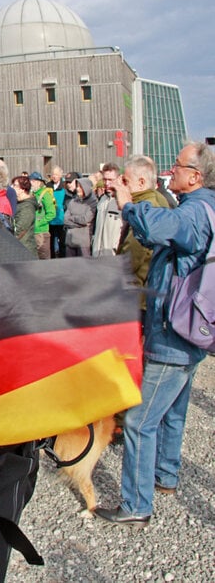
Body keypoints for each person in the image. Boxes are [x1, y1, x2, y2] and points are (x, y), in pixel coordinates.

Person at [95, 141, 215, 528]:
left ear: (195, 176)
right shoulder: (203, 207)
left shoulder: (196, 210)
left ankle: (136, 505)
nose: (171, 170)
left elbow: (158, 226)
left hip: (173, 334)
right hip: (190, 329)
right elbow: (161, 239)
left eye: (177, 166)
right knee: (173, 412)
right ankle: (165, 475)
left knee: (139, 421)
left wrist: (129, 202)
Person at [118, 156, 170, 293]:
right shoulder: (157, 200)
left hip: (138, 292)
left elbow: (131, 257)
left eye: (126, 181)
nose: (122, 186)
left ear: (141, 183)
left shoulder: (144, 210)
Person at [92, 162, 123, 256]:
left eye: (110, 180)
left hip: (112, 255)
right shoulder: (102, 199)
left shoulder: (123, 201)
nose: (107, 183)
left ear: (118, 179)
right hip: (97, 254)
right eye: (105, 179)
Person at [62, 177, 96, 257]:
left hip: (83, 242)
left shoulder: (92, 203)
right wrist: (79, 223)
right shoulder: (73, 201)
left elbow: (86, 219)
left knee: (84, 267)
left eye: (80, 186)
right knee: (70, 267)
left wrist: (72, 218)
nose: (78, 189)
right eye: (77, 186)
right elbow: (65, 219)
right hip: (70, 241)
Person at [29, 171, 57, 259]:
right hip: (32, 232)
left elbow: (52, 213)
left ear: (38, 182)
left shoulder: (45, 194)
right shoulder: (32, 194)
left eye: (32, 181)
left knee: (44, 259)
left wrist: (39, 223)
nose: (31, 184)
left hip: (41, 233)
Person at [11, 175, 37, 254]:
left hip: (25, 247)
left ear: (22, 189)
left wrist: (9, 239)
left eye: (15, 185)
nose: (12, 188)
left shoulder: (27, 207)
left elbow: (20, 228)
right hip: (19, 246)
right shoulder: (18, 203)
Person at [48, 166, 67, 257]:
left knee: (62, 241)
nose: (54, 176)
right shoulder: (48, 186)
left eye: (56, 174)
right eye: (53, 174)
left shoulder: (64, 186)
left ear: (60, 175)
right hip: (51, 218)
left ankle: (62, 258)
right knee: (50, 242)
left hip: (61, 218)